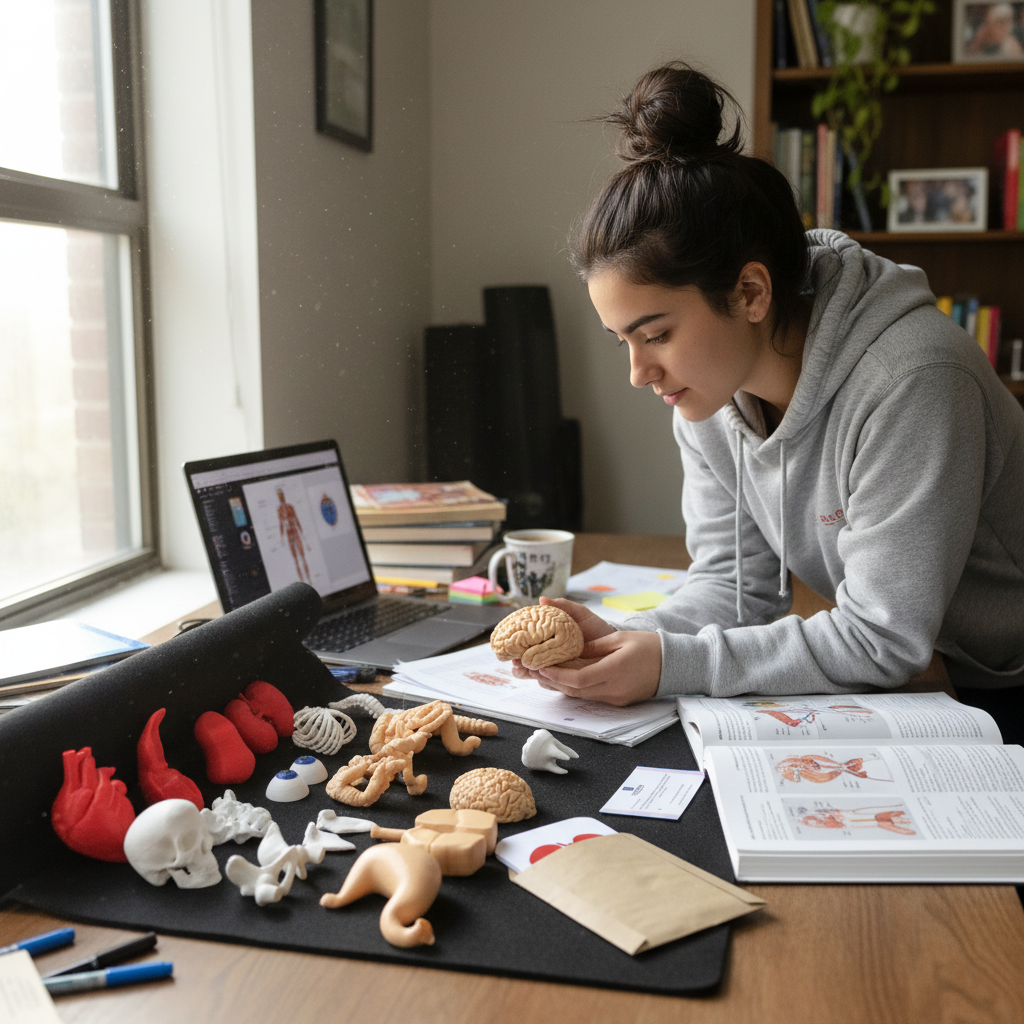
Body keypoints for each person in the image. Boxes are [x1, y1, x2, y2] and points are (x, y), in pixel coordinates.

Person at [512, 62, 1024, 745]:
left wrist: (672, 665)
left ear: (751, 293)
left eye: (656, 334)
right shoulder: (708, 394)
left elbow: (881, 639)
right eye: (623, 341)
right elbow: (736, 587)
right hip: (929, 673)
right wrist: (626, 639)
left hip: (1004, 678)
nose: (639, 373)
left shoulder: (913, 381)